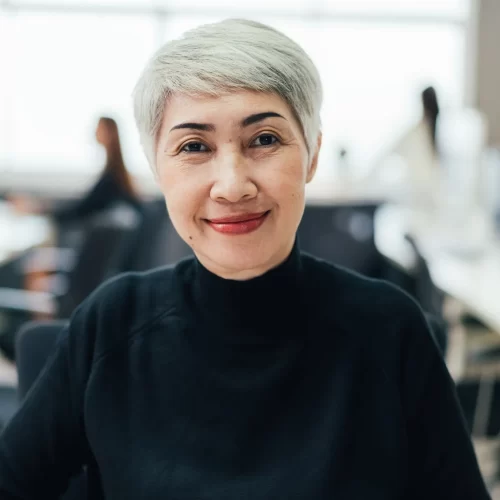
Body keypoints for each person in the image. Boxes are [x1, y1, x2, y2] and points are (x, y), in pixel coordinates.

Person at [0, 19, 490, 499]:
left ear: (312, 155)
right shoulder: (112, 322)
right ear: (157, 169)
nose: (233, 185)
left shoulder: (390, 330)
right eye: (194, 146)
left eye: (265, 140)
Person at [50, 116, 142, 225]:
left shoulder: (110, 180)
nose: (94, 132)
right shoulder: (115, 177)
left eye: (99, 129)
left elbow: (85, 208)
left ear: (109, 135)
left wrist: (48, 213)